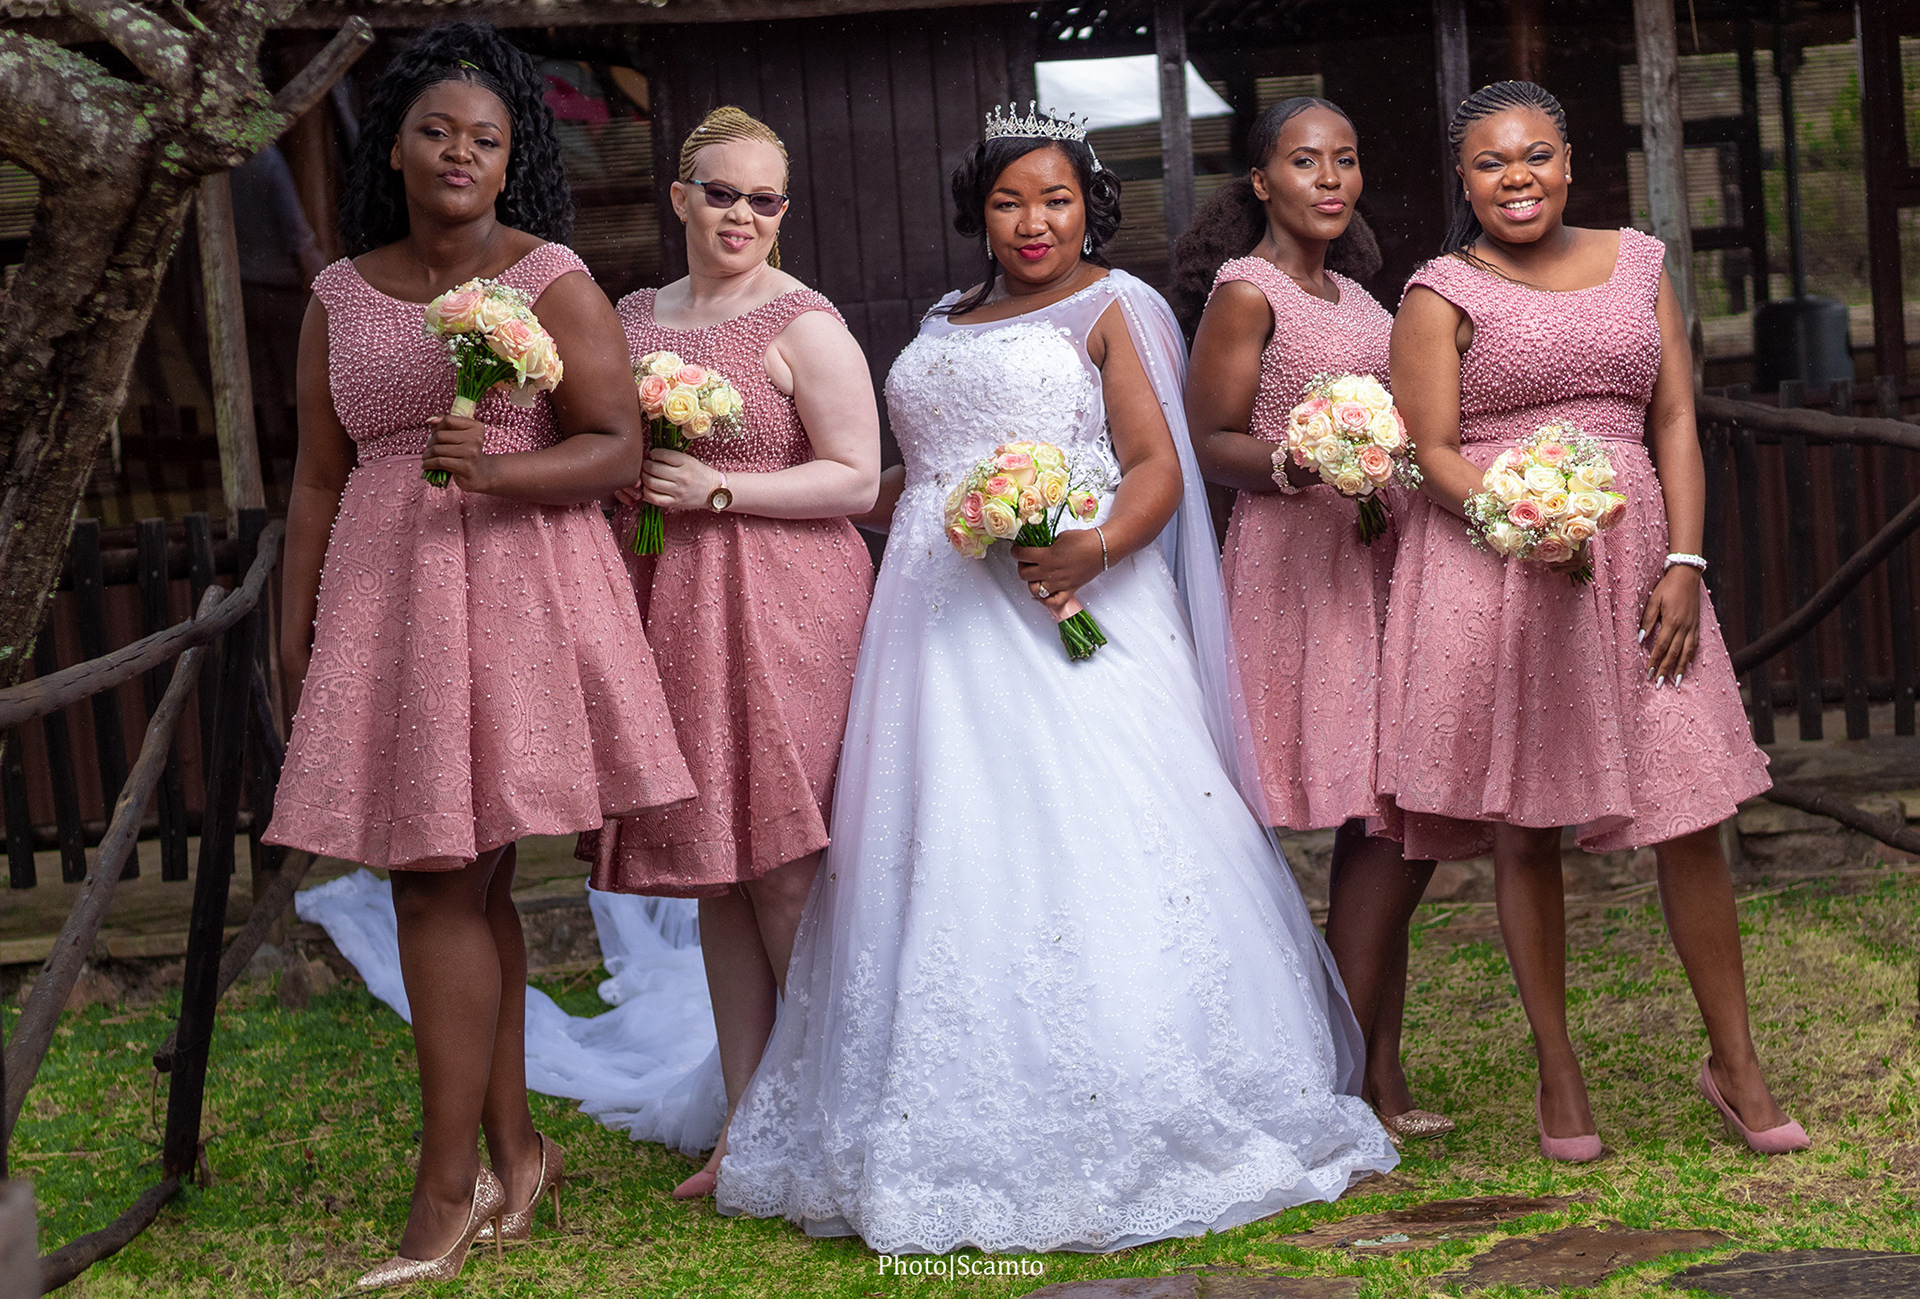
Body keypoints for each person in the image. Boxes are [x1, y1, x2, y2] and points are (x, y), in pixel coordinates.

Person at [713, 105, 1397, 1255]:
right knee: (945, 842)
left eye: (1056, 199)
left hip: (1072, 611)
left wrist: (1093, 546)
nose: (1033, 222)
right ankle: (939, 1094)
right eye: (1008, 201)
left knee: (1087, 837)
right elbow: (913, 473)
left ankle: (1133, 1085)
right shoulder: (944, 318)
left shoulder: (1113, 307)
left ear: (1090, 207)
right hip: (933, 623)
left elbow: (1157, 466)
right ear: (979, 214)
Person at [265, 23, 695, 1288]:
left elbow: (615, 447)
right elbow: (316, 481)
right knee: (463, 887)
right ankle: (515, 1156)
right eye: (437, 131)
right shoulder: (339, 298)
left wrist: (496, 469)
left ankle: (444, 1186)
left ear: (513, 161)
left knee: (439, 884)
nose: (461, 152)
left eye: (487, 138)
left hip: (516, 601)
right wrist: (294, 639)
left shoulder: (548, 279)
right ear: (395, 150)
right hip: (386, 609)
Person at [1378, 80, 1806, 1160]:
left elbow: (1675, 417)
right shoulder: (1439, 292)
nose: (1515, 177)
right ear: (1464, 178)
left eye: (1535, 155)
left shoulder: (1639, 263)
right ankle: (1558, 1073)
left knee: (1688, 805)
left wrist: (1685, 562)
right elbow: (1427, 451)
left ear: (1569, 163)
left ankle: (1736, 1062)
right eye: (1490, 162)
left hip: (1640, 565)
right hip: (1502, 570)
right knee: (1525, 823)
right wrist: (1520, 519)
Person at [576, 106, 881, 1200]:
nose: (741, 214)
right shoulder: (630, 318)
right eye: (721, 193)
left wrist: (719, 488)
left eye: (764, 199)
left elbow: (857, 475)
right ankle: (747, 1129)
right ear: (680, 198)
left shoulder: (804, 322)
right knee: (718, 869)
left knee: (788, 868)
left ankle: (836, 1119)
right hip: (671, 605)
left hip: (788, 602)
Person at [1177, 96, 1448, 1144]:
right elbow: (1210, 439)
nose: (1329, 179)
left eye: (1345, 159)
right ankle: (1329, 1072)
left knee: (1392, 817)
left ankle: (1374, 1070)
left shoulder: (1362, 296)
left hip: (1379, 556)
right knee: (1371, 812)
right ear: (1261, 182)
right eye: (1304, 161)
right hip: (1299, 568)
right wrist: (1300, 459)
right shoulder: (1247, 293)